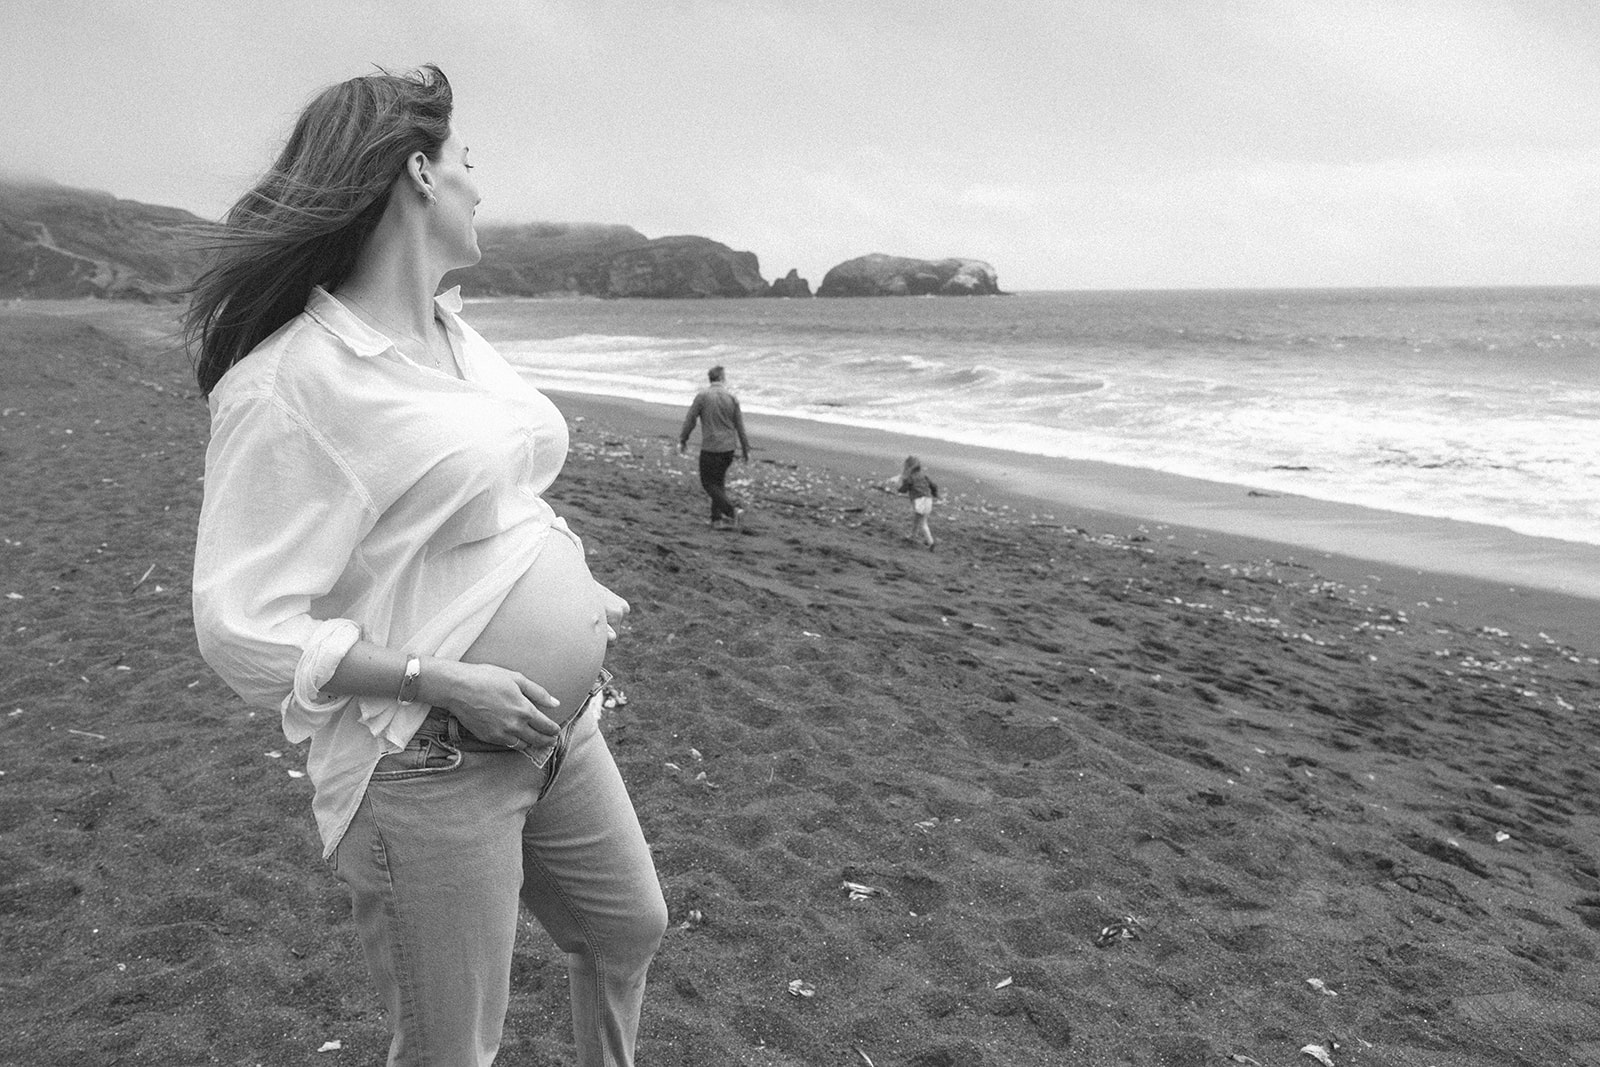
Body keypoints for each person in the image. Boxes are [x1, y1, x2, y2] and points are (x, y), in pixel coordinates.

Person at [184, 65, 666, 1067]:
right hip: (431, 757)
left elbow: (491, 487)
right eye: (466, 161)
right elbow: (239, 626)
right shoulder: (291, 385)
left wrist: (567, 579)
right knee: (452, 1049)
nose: (479, 186)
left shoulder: (453, 333)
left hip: (557, 729)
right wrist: (439, 676)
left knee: (627, 928)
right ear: (418, 171)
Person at [677, 364, 751, 529]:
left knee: (708, 483)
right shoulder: (731, 397)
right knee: (718, 482)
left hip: (711, 447)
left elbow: (690, 419)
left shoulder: (702, 396)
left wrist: (683, 438)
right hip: (728, 448)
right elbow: (740, 426)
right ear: (722, 378)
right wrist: (745, 449)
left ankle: (732, 512)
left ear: (710, 379)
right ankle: (716, 519)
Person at [887, 454, 940, 549]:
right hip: (928, 499)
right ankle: (913, 536)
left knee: (922, 523)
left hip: (919, 501)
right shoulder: (924, 476)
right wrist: (935, 494)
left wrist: (898, 485)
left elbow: (903, 490)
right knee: (918, 520)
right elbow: (933, 486)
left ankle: (931, 542)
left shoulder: (910, 478)